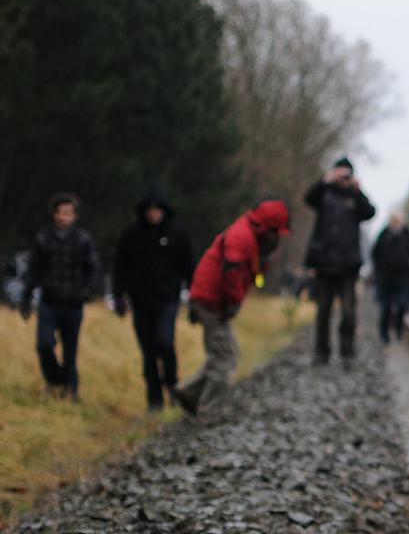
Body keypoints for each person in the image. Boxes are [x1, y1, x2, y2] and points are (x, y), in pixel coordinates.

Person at [175, 199, 289, 416]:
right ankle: (208, 410)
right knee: (225, 357)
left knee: (224, 352)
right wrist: (233, 302)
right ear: (269, 227)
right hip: (211, 302)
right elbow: (231, 273)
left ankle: (189, 393)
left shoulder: (251, 235)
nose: (278, 238)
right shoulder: (241, 236)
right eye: (277, 232)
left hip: (211, 300)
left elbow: (246, 273)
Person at [110, 189, 196, 411]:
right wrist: (118, 296)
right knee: (148, 349)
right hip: (139, 299)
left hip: (167, 298)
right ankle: (154, 399)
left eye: (157, 210)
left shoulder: (177, 234)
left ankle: (172, 384)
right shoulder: (132, 234)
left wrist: (195, 298)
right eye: (150, 210)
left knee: (165, 341)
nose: (154, 214)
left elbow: (189, 267)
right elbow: (119, 266)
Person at [23, 192, 101, 401]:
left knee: (70, 351)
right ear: (54, 215)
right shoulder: (43, 239)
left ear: (74, 216)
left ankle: (71, 390)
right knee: (44, 345)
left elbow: (93, 269)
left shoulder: (83, 241)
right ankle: (55, 380)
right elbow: (34, 270)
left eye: (68, 212)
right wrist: (26, 298)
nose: (64, 216)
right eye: (61, 212)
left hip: (73, 303)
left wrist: (87, 291)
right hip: (49, 301)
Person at [302, 158, 375, 367]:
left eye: (347, 174)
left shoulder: (354, 197)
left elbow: (370, 213)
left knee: (349, 312)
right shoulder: (324, 193)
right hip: (324, 262)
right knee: (323, 310)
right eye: (340, 173)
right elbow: (308, 198)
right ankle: (321, 352)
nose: (344, 178)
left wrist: (358, 191)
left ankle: (347, 352)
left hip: (348, 265)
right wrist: (325, 180)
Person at [369, 213, 409, 344]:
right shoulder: (384, 235)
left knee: (402, 306)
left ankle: (399, 330)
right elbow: (375, 254)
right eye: (394, 221)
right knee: (386, 308)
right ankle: (384, 334)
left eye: (398, 221)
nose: (396, 223)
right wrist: (378, 271)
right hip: (386, 279)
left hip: (403, 278)